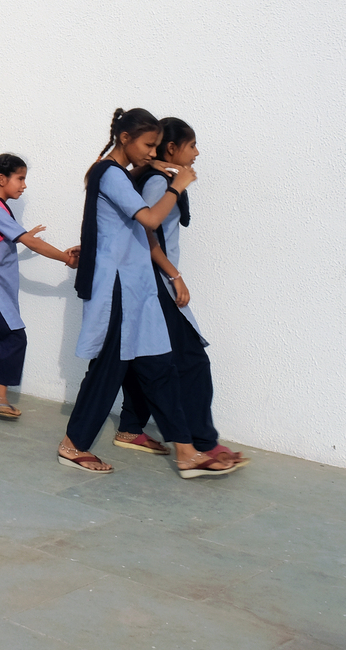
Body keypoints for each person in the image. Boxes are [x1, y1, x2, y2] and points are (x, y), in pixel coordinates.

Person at [59, 108, 237, 478]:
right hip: (119, 287)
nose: (151, 152)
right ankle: (73, 444)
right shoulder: (108, 173)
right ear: (125, 139)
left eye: (156, 145)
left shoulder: (118, 175)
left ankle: (186, 452)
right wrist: (177, 184)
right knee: (108, 369)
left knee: (159, 367)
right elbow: (150, 221)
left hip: (139, 285)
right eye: (147, 144)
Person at [114, 119, 247, 467]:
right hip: (155, 281)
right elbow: (146, 232)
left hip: (149, 280)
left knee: (151, 359)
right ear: (172, 149)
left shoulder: (157, 177)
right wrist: (174, 276)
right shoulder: (159, 182)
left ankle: (130, 426)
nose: (198, 152)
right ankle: (202, 441)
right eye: (192, 145)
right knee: (190, 361)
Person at [0, 153, 79, 419]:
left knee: (1, 337)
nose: (24, 185)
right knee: (15, 337)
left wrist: (24, 237)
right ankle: (0, 396)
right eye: (20, 178)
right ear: (2, 179)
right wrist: (66, 258)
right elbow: (32, 243)